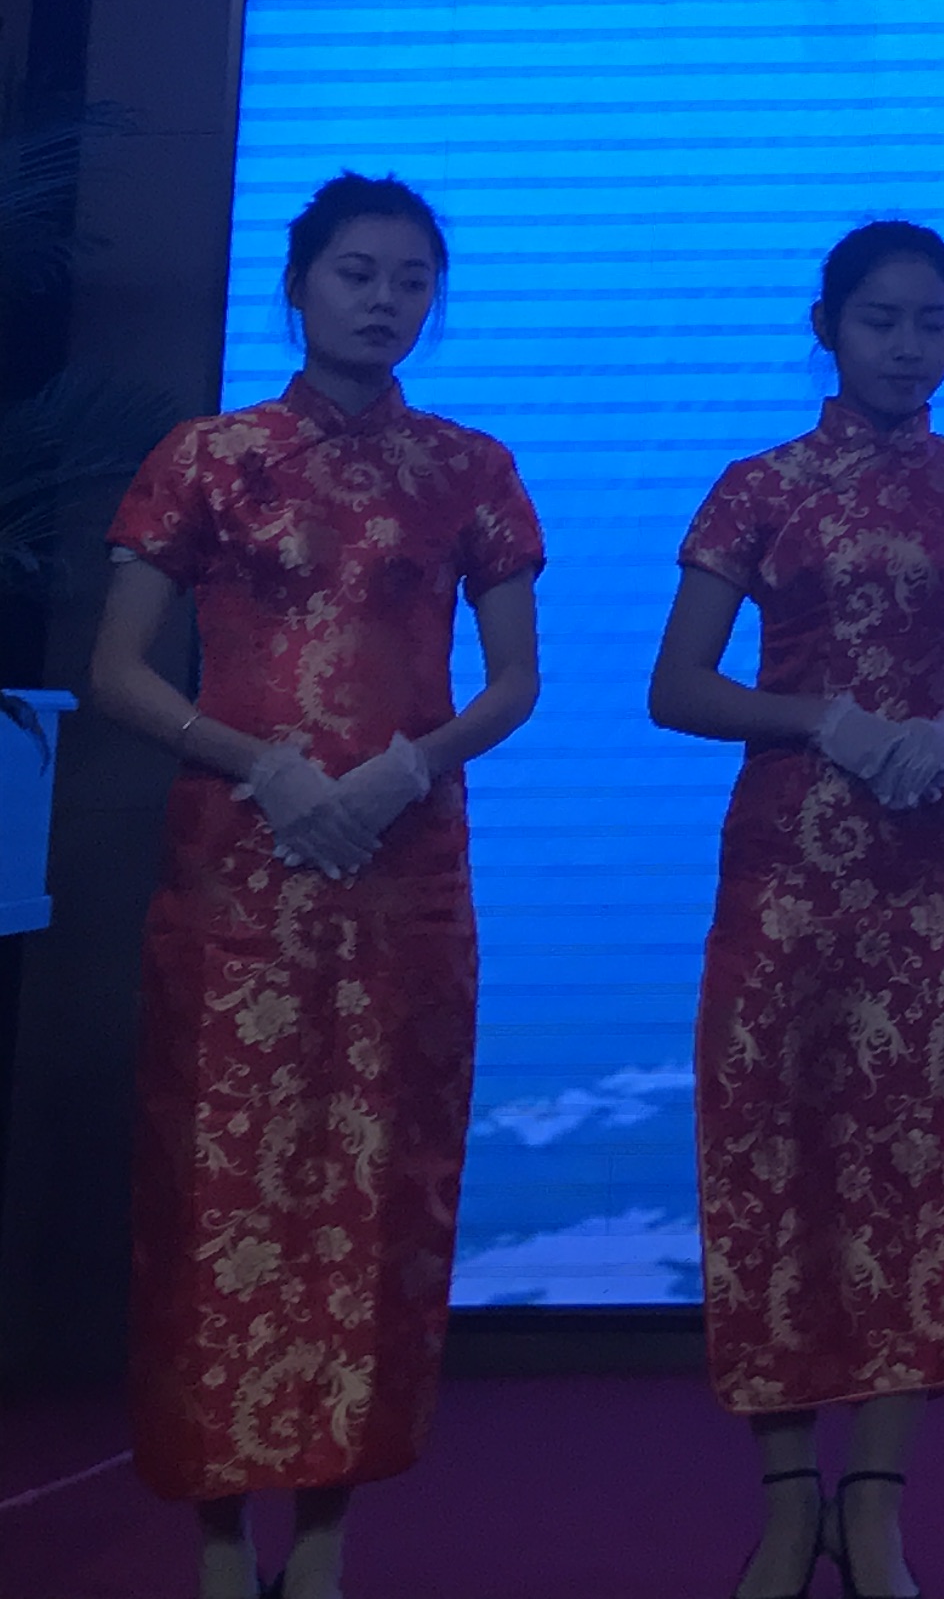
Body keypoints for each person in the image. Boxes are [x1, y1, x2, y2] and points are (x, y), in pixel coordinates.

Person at [86, 174, 545, 1599]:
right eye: (357, 273)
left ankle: (330, 1540)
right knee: (219, 1188)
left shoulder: (471, 468)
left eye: (412, 280)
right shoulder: (209, 457)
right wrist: (256, 766)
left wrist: (409, 768)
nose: (384, 300)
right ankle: (223, 1543)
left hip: (403, 875)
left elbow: (514, 685)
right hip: (241, 871)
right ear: (297, 286)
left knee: (376, 1188)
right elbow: (115, 671)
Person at [650, 221, 944, 1599]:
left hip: (933, 871)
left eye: (931, 322)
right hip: (788, 872)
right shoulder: (760, 487)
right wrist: (818, 718)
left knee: (926, 1162)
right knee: (772, 1160)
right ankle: (789, 1504)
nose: (906, 346)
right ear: (826, 328)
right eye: (881, 320)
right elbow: (678, 686)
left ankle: (877, 1505)